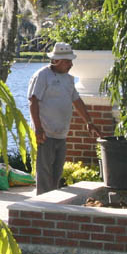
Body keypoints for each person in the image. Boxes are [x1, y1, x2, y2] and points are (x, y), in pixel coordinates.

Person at [28, 42, 101, 195]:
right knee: (45, 170)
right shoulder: (42, 75)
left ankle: (53, 200)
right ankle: (42, 202)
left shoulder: (68, 79)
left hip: (61, 132)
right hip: (45, 133)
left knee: (57, 170)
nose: (71, 64)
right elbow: (33, 102)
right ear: (56, 61)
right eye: (68, 61)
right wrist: (38, 129)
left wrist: (89, 122)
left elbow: (77, 101)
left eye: (71, 61)